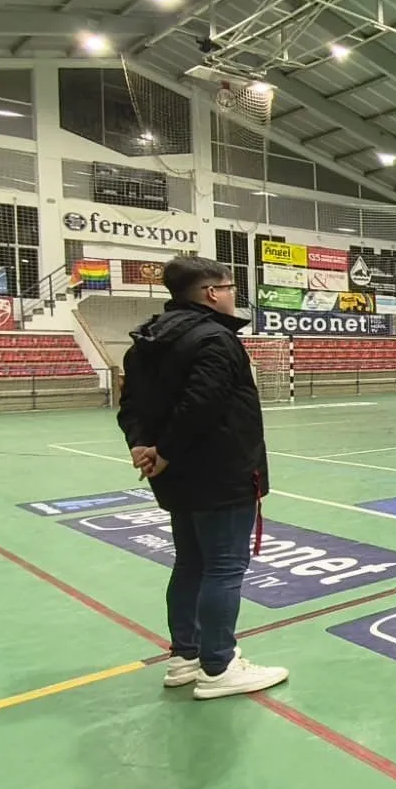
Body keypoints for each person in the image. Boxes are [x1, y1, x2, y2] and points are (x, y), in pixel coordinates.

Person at [116, 255, 288, 700]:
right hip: (222, 473)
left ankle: (185, 656)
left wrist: (143, 447)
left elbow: (129, 406)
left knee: (191, 563)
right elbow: (202, 404)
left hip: (176, 478)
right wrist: (167, 452)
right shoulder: (214, 340)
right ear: (212, 293)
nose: (233, 295)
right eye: (230, 287)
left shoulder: (144, 344)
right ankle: (219, 665)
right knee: (225, 567)